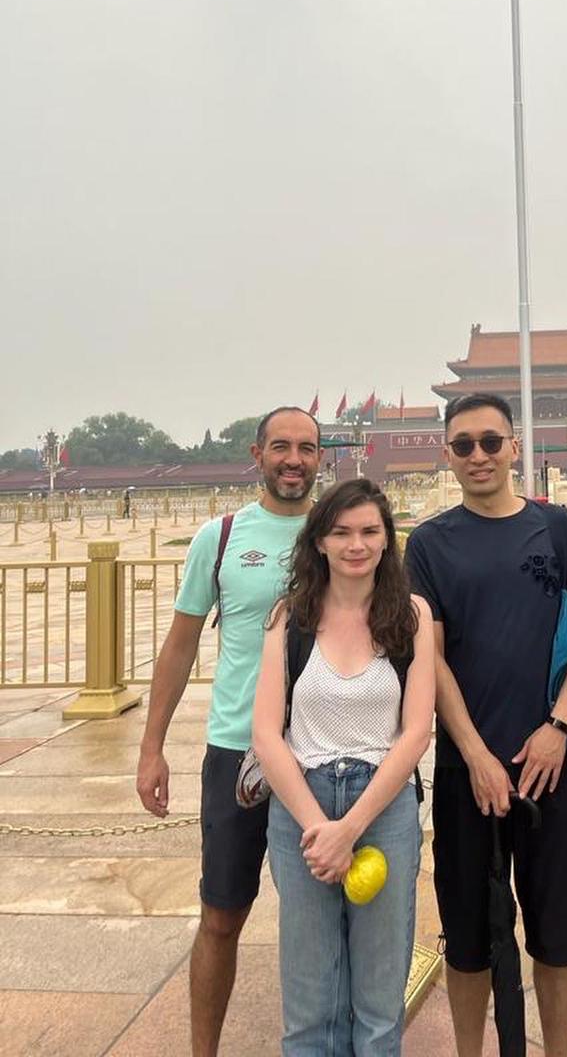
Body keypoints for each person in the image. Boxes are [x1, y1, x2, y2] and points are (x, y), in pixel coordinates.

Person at [404, 393, 567, 1057]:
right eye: (464, 445)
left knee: (559, 935)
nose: (479, 455)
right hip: (468, 772)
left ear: (514, 447)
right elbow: (430, 656)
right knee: (467, 940)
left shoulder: (558, 528)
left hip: (553, 764)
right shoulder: (429, 544)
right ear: (448, 454)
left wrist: (558, 726)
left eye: (491, 441)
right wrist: (475, 754)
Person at [136, 407, 321, 1056]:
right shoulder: (220, 538)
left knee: (324, 922)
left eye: (306, 448)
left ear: (320, 458)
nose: (293, 460)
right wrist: (152, 747)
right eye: (281, 447)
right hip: (237, 750)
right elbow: (180, 644)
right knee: (220, 916)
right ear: (257, 454)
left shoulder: (343, 532)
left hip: (323, 753)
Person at [252, 479, 434, 1055]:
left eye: (369, 532)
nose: (357, 545)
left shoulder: (411, 616)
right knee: (310, 1000)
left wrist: (350, 828)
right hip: (301, 805)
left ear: (387, 539)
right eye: (342, 532)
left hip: (382, 805)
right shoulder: (290, 617)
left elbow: (416, 731)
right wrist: (320, 831)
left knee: (380, 999)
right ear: (320, 542)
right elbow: (266, 733)